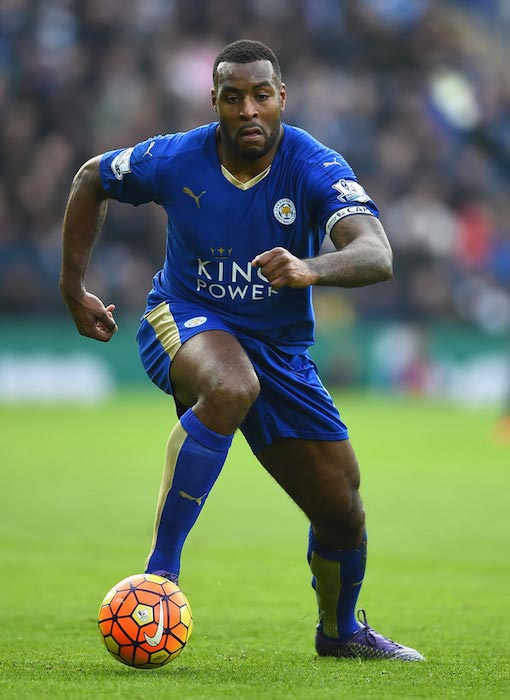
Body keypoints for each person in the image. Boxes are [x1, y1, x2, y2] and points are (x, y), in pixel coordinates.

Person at [60, 39, 423, 661]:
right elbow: (91, 177)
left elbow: (376, 254)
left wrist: (310, 268)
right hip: (184, 315)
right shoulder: (176, 157)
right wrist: (73, 287)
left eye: (261, 95)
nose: (248, 110)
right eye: (234, 98)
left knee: (342, 511)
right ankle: (159, 577)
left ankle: (340, 634)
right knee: (230, 385)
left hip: (279, 351)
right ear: (216, 103)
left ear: (282, 98)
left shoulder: (313, 164)